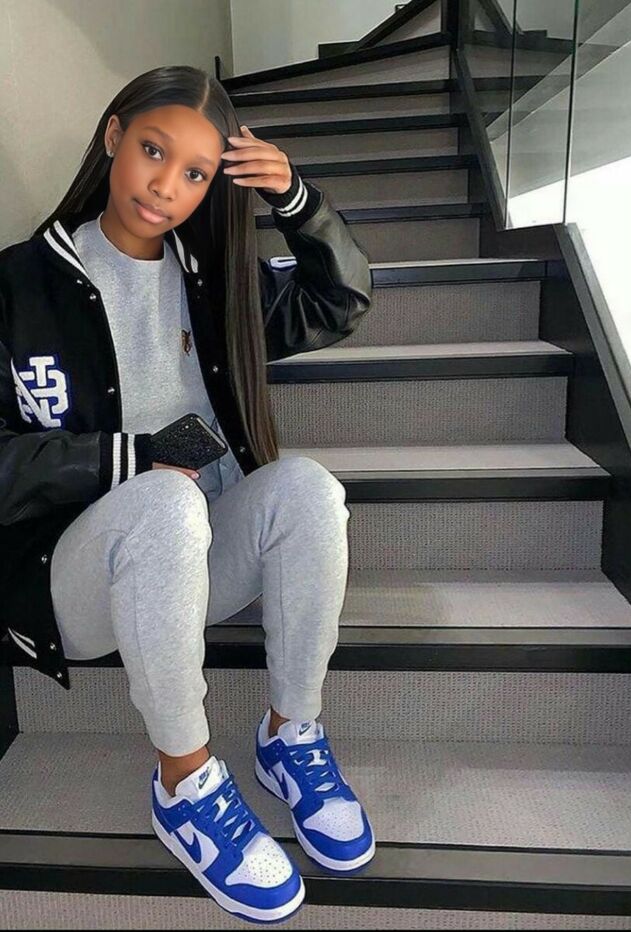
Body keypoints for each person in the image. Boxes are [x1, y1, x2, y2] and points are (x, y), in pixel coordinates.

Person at [0, 65, 375, 923]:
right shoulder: (18, 286)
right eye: (152, 151)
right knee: (163, 502)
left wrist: (298, 200)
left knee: (309, 489)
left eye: (196, 172)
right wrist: (128, 459)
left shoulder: (213, 283)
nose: (166, 185)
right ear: (113, 137)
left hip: (197, 561)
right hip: (74, 580)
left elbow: (341, 300)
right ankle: (184, 782)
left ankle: (290, 735)